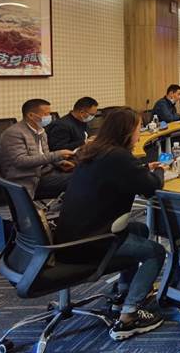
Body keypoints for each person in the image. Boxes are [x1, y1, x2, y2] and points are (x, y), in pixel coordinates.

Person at [55, 107, 167, 341]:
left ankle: (124, 292)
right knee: (156, 252)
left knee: (140, 229)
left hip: (69, 235)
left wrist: (143, 170)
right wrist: (158, 172)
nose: (139, 134)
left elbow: (121, 175)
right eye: (138, 129)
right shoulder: (119, 157)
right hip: (93, 240)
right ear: (126, 132)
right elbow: (151, 189)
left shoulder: (94, 151)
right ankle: (129, 316)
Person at [0, 98, 76, 198]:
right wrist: (57, 155)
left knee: (81, 171)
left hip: (46, 172)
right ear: (31, 115)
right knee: (79, 179)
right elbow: (20, 161)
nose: (49, 117)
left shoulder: (41, 131)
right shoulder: (13, 133)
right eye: (46, 114)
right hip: (29, 178)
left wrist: (59, 163)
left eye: (49, 114)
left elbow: (44, 155)